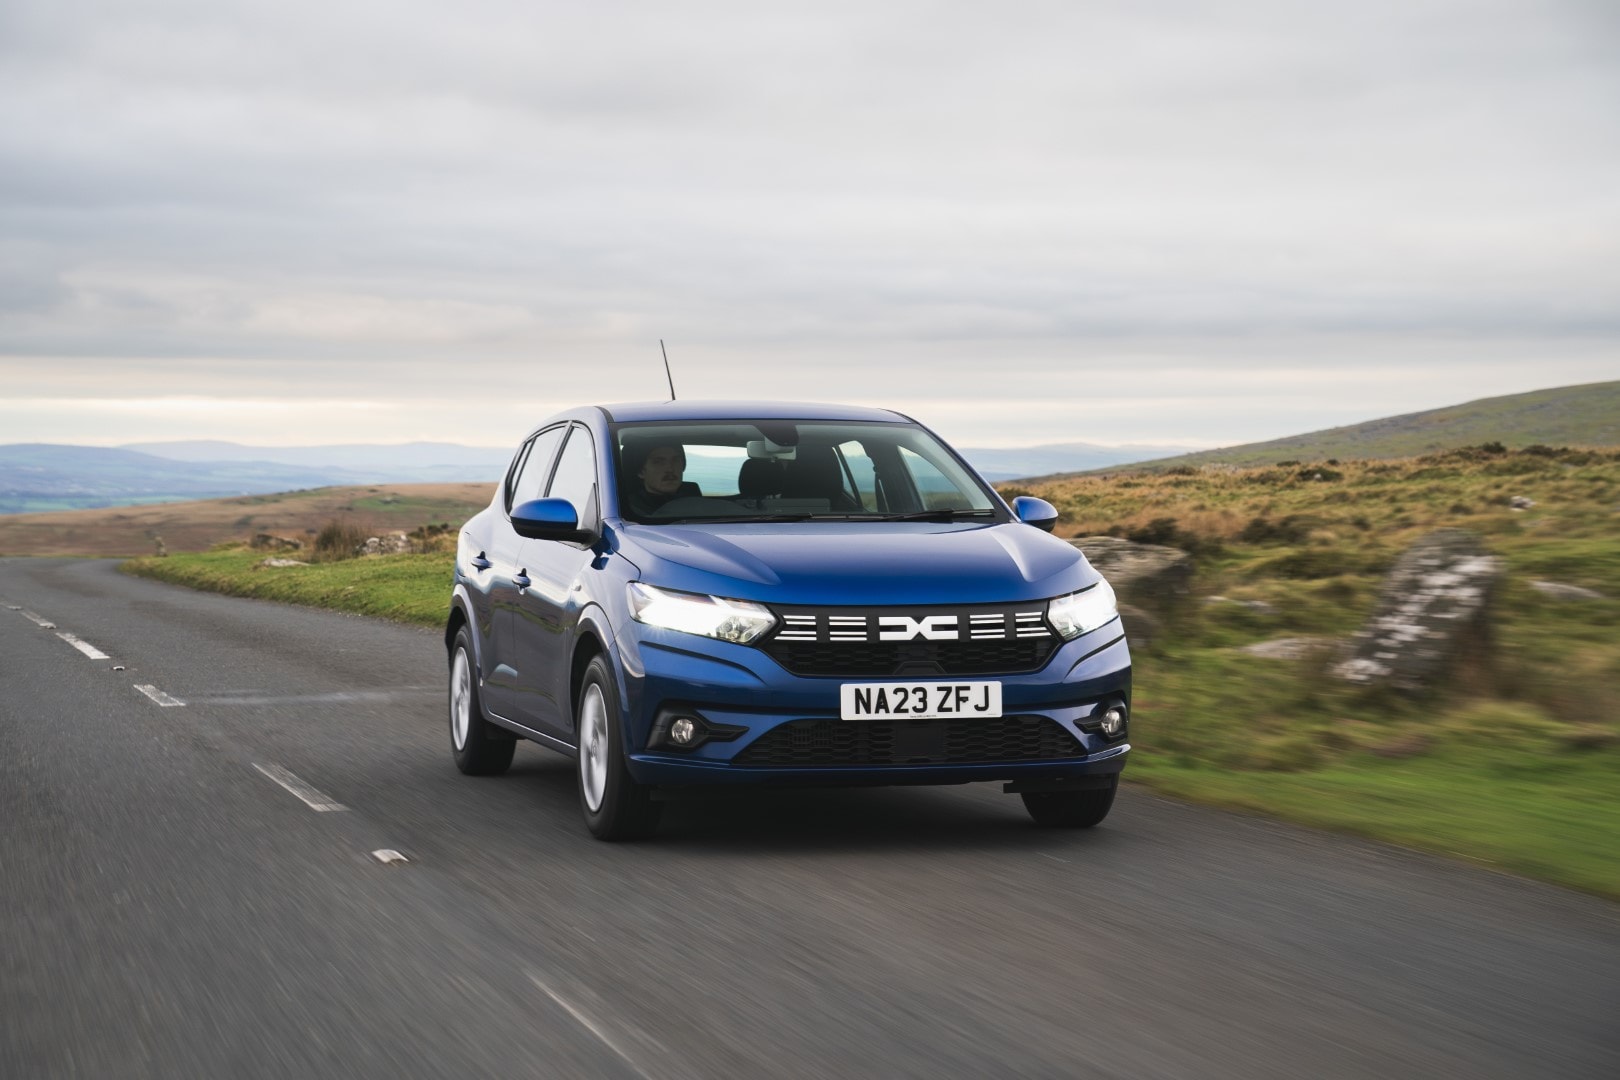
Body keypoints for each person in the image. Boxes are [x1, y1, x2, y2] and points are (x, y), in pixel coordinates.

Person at [623, 443, 695, 516]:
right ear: (641, 472)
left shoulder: (696, 503)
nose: (670, 469)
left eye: (676, 460)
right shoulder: (629, 511)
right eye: (658, 462)